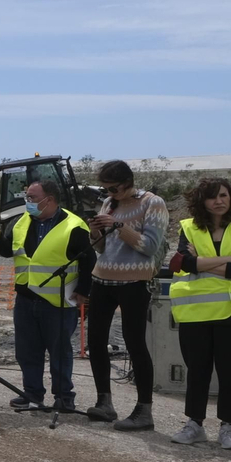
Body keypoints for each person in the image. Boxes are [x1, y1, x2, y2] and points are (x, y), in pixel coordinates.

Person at [0, 180, 94, 412]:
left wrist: (83, 292)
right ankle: (32, 393)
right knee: (27, 351)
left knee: (60, 353)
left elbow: (89, 261)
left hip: (57, 301)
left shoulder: (73, 226)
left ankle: (64, 397)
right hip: (26, 299)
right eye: (27, 197)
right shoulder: (21, 222)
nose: (28, 202)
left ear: (50, 199)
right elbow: (10, 251)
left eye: (32, 198)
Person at [86, 159, 169, 431]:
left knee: (135, 343)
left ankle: (144, 411)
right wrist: (95, 231)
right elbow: (100, 249)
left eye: (113, 188)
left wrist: (119, 226)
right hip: (102, 278)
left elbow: (149, 246)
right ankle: (104, 403)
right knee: (96, 341)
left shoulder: (152, 203)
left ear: (127, 183)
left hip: (134, 280)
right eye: (105, 189)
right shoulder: (110, 203)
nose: (109, 194)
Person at [167, 178, 231, 449]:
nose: (219, 201)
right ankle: (195, 424)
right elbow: (183, 263)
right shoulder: (189, 228)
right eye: (212, 197)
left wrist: (201, 263)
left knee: (230, 372)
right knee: (198, 371)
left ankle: (228, 428)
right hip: (195, 311)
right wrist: (229, 260)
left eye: (223, 195)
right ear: (202, 202)